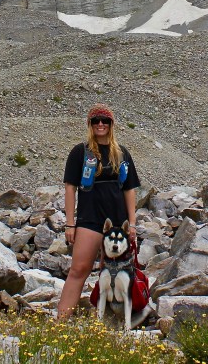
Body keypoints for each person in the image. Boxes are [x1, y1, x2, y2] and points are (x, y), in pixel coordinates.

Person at [56, 103, 141, 318]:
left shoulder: (122, 153)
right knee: (79, 270)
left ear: (112, 124)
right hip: (90, 219)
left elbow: (129, 189)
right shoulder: (80, 152)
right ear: (90, 125)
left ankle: (111, 325)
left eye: (105, 121)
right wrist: (69, 222)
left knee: (116, 273)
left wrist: (132, 224)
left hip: (117, 223)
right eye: (96, 121)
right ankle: (60, 324)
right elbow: (70, 188)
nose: (100, 124)